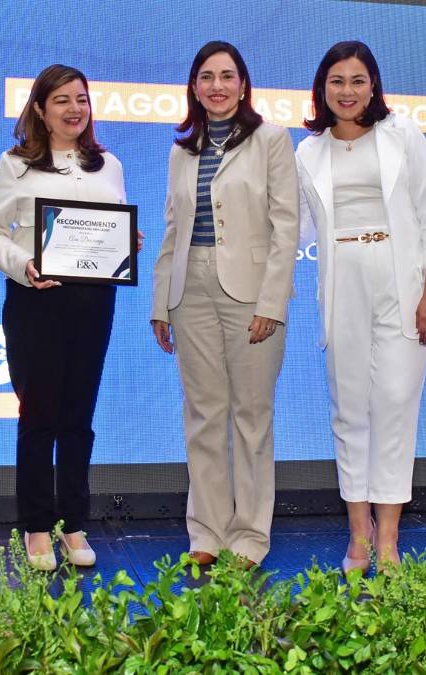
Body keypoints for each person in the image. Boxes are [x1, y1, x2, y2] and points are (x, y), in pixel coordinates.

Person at [295, 41, 426, 572]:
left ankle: (388, 539)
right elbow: (288, 227)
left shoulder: (401, 133)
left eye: (357, 80)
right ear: (323, 88)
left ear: (374, 85)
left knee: (394, 406)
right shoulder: (307, 151)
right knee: (349, 412)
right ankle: (358, 536)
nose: (347, 91)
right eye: (337, 81)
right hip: (343, 286)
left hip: (401, 284)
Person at [150, 41, 300, 567]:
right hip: (190, 289)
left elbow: (287, 228)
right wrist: (159, 301)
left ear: (243, 84)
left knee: (251, 416)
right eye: (207, 76)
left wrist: (272, 302)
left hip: (252, 292)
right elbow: (174, 228)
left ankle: (250, 536)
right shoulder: (181, 150)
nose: (217, 85)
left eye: (227, 75)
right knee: (203, 414)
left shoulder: (272, 140)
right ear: (194, 86)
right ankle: (206, 534)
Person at [0, 64, 128, 570]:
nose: (74, 109)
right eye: (61, 99)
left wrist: (126, 246)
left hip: (92, 303)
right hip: (36, 301)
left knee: (79, 419)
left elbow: (110, 230)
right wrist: (24, 263)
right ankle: (37, 527)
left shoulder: (108, 164)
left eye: (81, 98)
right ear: (40, 108)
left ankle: (74, 525)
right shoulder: (15, 164)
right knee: (39, 417)